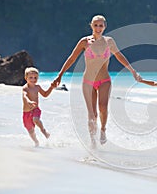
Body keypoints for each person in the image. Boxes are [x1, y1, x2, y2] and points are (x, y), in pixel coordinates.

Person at [53, 15, 139, 148]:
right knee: (92, 114)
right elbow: (71, 59)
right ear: (91, 26)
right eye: (95, 25)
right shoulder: (84, 42)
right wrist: (60, 75)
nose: (98, 28)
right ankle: (93, 143)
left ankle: (103, 129)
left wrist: (132, 70)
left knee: (103, 108)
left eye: (101, 25)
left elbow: (119, 56)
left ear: (105, 27)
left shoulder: (109, 41)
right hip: (88, 82)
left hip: (104, 80)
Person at [22, 67, 55, 147]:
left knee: (36, 119)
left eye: (35, 78)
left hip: (35, 109)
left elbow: (45, 94)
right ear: (26, 78)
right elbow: (24, 96)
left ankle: (43, 131)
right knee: (30, 131)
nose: (33, 79)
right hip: (26, 112)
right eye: (31, 77)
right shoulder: (25, 88)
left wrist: (51, 87)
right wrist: (29, 101)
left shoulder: (38, 87)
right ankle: (36, 142)